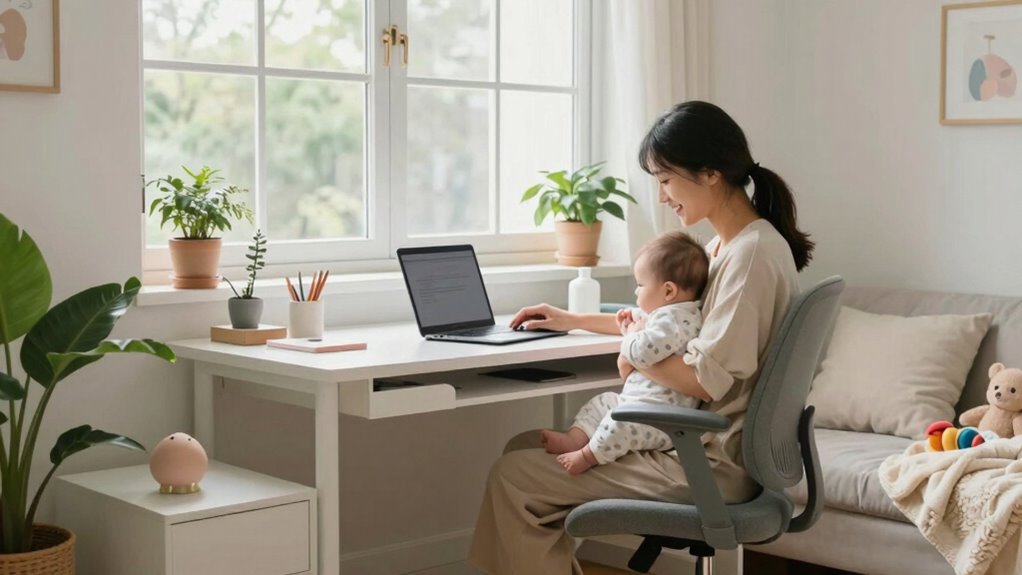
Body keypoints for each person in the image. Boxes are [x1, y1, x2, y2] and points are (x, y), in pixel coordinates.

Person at [468, 100, 815, 575]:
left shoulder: (750, 256)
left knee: (515, 477)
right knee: (527, 448)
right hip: (694, 444)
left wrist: (631, 352)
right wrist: (571, 319)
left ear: (710, 173)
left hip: (708, 462)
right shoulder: (730, 245)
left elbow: (701, 381)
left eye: (666, 180)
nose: (662, 196)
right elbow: (669, 327)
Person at [543, 231, 709, 475]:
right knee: (602, 403)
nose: (636, 292)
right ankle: (574, 439)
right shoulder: (668, 314)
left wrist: (630, 335)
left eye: (641, 285)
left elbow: (642, 353)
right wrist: (630, 322)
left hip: (662, 420)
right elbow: (646, 330)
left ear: (668, 292)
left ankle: (587, 456)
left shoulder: (675, 320)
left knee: (618, 423)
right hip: (641, 404)